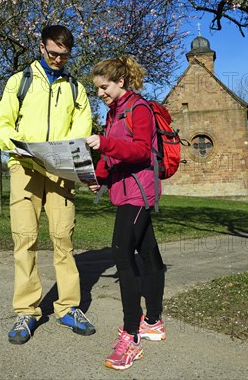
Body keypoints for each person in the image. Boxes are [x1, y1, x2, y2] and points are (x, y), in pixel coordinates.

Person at [0, 24, 95, 344]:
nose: (58, 59)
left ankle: (67, 307)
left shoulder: (76, 89)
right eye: (53, 53)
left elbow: (82, 128)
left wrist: (74, 160)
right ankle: (27, 310)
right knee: (25, 239)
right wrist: (17, 145)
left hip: (60, 170)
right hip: (24, 167)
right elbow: (1, 123)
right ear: (41, 47)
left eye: (64, 55)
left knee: (63, 238)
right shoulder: (18, 82)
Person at [86, 56, 166, 371]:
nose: (101, 93)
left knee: (122, 252)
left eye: (104, 87)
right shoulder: (113, 113)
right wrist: (99, 177)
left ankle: (131, 335)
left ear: (120, 81)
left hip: (139, 192)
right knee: (149, 254)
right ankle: (154, 322)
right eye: (97, 89)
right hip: (123, 191)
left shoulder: (140, 108)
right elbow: (112, 154)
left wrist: (104, 143)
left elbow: (141, 151)